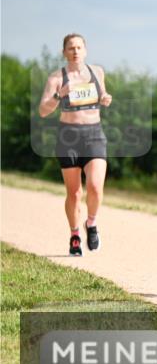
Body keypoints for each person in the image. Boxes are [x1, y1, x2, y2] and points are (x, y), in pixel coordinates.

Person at [38, 34, 113, 256]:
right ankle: (74, 235)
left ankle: (91, 223)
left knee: (95, 187)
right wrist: (58, 95)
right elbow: (43, 111)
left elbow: (103, 95)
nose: (75, 51)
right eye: (71, 48)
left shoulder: (97, 72)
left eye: (79, 47)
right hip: (68, 137)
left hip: (94, 135)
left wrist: (105, 98)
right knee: (74, 193)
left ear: (85, 50)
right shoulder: (56, 78)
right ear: (64, 52)